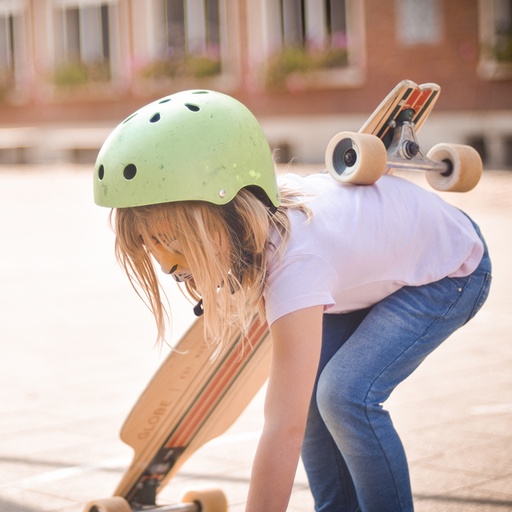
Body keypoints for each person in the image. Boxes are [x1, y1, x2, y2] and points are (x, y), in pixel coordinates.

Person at [93, 90, 492, 512]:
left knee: (343, 396)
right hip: (369, 274)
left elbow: (281, 429)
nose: (167, 265)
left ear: (223, 213)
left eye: (172, 241)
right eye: (151, 246)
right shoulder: (260, 218)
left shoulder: (297, 265)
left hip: (453, 269)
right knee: (314, 411)